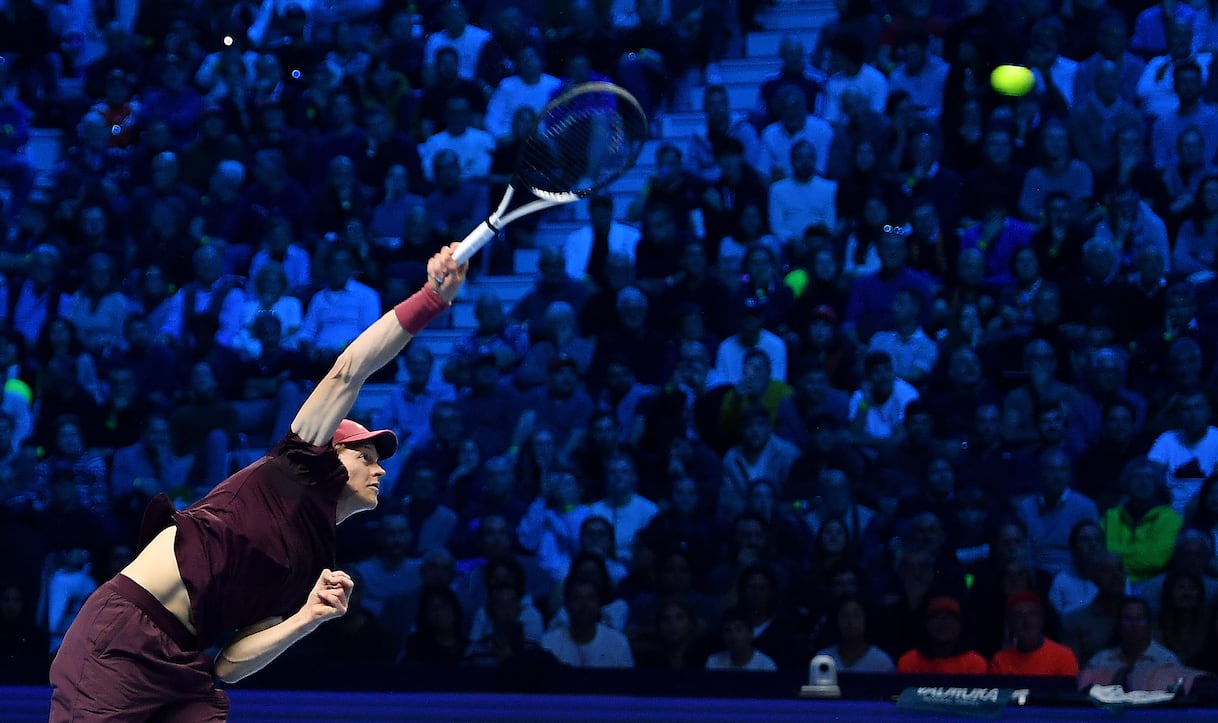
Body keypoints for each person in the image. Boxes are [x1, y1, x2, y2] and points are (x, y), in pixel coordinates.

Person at [48, 246, 468, 720]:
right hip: (122, 635)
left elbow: (230, 664)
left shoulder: (313, 560)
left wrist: (308, 618)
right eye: (365, 455)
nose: (380, 469)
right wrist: (431, 299)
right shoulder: (294, 465)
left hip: (185, 663)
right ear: (329, 454)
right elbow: (350, 369)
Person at [987, 591, 1079, 676]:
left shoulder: (1063, 657)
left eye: (1032, 613)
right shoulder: (999, 661)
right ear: (1010, 623)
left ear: (1041, 618)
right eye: (1019, 615)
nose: (1027, 620)